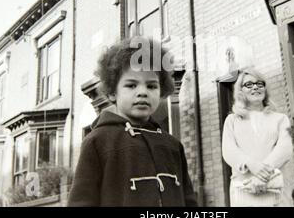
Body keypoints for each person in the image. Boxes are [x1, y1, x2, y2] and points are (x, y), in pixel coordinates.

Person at [68, 37, 197, 206]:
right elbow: (81, 202)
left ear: (161, 90)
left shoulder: (173, 145)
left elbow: (189, 200)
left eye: (151, 86)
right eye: (131, 85)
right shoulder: (97, 142)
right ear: (113, 92)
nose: (142, 92)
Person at [221, 67, 293, 206]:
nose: (255, 87)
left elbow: (284, 149)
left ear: (265, 89)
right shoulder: (232, 120)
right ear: (240, 90)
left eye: (260, 84)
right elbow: (229, 150)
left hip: (274, 189)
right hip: (244, 190)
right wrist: (251, 164)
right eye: (249, 84)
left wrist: (263, 175)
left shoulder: (280, 119)